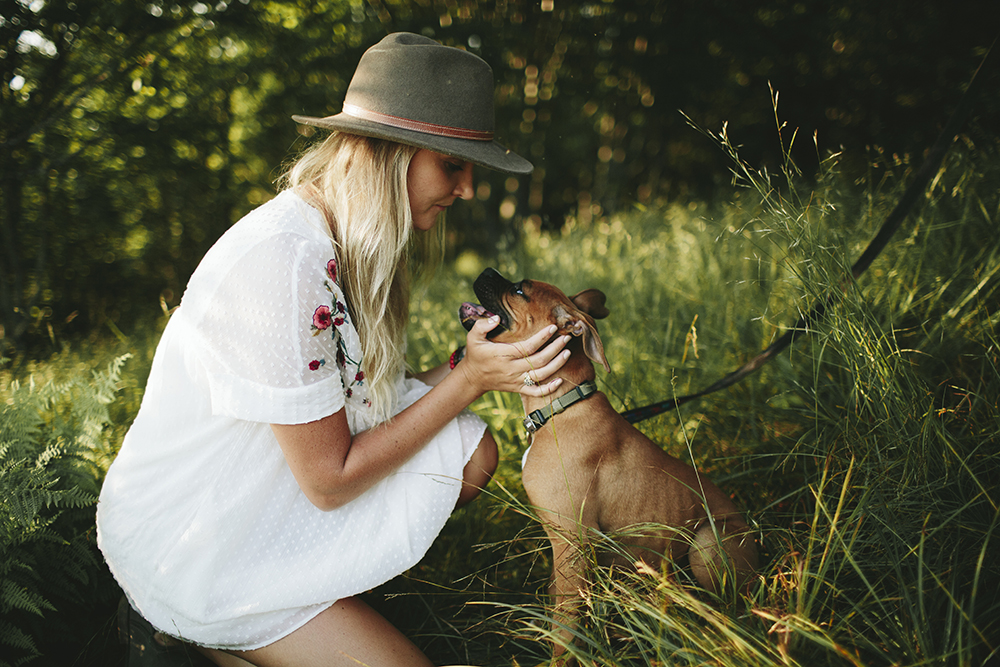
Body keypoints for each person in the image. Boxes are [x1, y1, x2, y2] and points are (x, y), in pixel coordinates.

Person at [96, 32, 570, 667]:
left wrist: (478, 362)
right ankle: (192, 630)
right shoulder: (285, 261)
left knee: (471, 452)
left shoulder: (348, 246)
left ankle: (304, 608)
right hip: (194, 540)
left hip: (270, 485)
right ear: (392, 155)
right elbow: (328, 480)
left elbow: (365, 397)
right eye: (452, 166)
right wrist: (469, 383)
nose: (467, 189)